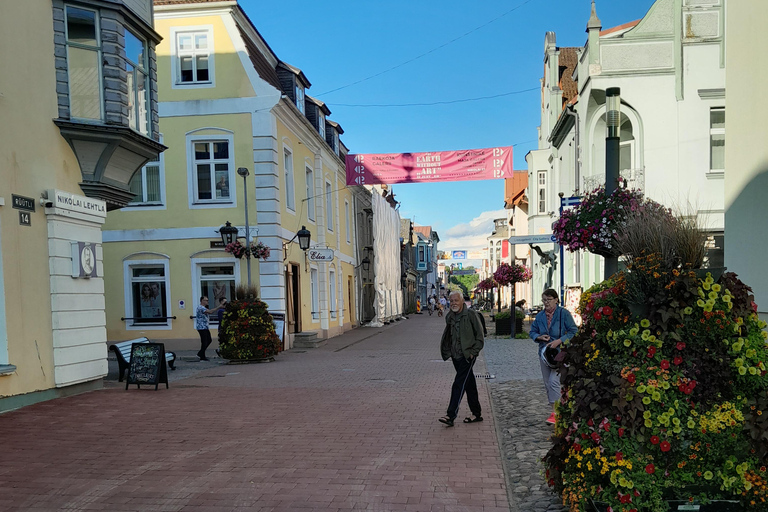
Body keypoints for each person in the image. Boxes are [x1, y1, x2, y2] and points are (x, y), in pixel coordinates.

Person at [529, 289, 578, 425]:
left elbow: (574, 331)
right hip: (545, 354)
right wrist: (539, 337)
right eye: (544, 300)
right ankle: (555, 411)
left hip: (560, 354)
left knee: (554, 381)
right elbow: (532, 332)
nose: (546, 303)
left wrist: (560, 340)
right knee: (547, 383)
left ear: (556, 300)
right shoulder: (539, 317)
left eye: (549, 300)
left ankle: (557, 413)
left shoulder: (564, 314)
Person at [438, 290, 485, 427]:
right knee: (469, 383)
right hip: (455, 355)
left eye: (456, 300)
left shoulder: (471, 315)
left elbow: (480, 336)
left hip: (467, 356)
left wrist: (473, 352)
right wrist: (448, 352)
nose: (453, 303)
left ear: (462, 301)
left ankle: (450, 415)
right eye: (451, 301)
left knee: (458, 383)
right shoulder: (450, 317)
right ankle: (476, 413)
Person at [195, 296, 225, 361]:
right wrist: (219, 307)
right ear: (202, 301)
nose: (207, 301)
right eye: (206, 300)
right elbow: (210, 311)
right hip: (201, 327)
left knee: (208, 340)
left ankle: (201, 354)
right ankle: (201, 355)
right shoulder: (200, 308)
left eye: (207, 300)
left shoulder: (203, 307)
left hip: (205, 327)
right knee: (205, 341)